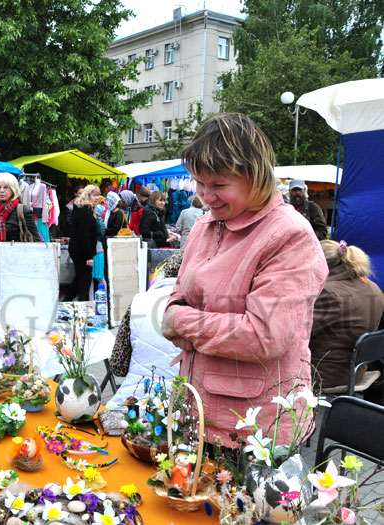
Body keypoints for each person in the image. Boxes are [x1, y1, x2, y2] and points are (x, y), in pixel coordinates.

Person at [161, 113, 328, 448]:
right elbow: (180, 294)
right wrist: (178, 311)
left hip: (254, 429)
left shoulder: (288, 235)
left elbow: (263, 336)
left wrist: (179, 321)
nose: (206, 196)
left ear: (256, 177)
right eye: (199, 183)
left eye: (219, 185)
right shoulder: (205, 226)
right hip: (196, 410)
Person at [107, 250, 184, 409]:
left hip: (131, 404)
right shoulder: (203, 307)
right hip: (179, 408)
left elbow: (118, 365)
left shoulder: (139, 300)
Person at [310, 240, 384, 390]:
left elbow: (297, 333)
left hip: (324, 374)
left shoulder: (329, 293)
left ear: (319, 263)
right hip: (354, 371)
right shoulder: (373, 288)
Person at [0, 172, 39, 242]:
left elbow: (36, 240)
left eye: (6, 187)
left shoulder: (23, 211)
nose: (2, 191)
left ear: (13, 190)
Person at [68, 185, 100, 301]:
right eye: (94, 195)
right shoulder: (85, 212)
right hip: (82, 251)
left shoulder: (82, 210)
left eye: (98, 195)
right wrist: (89, 256)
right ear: (87, 196)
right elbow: (84, 236)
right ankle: (81, 305)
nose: (97, 198)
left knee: (79, 279)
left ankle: (66, 301)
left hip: (78, 250)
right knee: (84, 281)